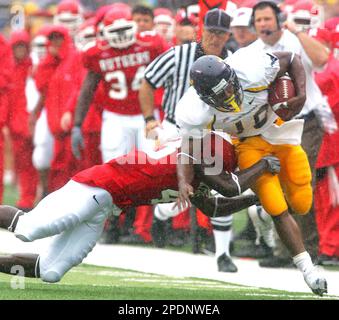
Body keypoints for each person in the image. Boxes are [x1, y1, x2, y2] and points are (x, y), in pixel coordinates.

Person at [0, 133, 280, 283]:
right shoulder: (211, 148)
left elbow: (215, 208)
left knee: (50, 271)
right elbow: (231, 186)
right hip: (95, 187)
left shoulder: (205, 165)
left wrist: (256, 199)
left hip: (105, 206)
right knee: (28, 228)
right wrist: (263, 166)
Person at [174, 51, 327, 296]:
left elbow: (291, 58)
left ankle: (262, 211)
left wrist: (300, 94)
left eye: (228, 87)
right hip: (248, 145)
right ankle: (309, 270)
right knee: (277, 206)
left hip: (280, 131)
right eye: (220, 94)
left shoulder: (252, 68)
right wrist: (183, 180)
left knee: (301, 204)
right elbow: (187, 151)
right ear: (204, 97)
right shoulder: (194, 111)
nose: (229, 94)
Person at [139, 8, 238, 272]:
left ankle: (223, 253)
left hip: (213, 133)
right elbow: (147, 82)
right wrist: (150, 119)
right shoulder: (179, 54)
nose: (215, 38)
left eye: (221, 33)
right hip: (174, 128)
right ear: (201, 30)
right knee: (175, 194)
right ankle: (161, 215)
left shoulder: (233, 60)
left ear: (228, 34)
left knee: (220, 185)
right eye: (211, 32)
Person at [247, 0, 333, 268]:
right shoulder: (251, 51)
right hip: (272, 125)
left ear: (279, 19)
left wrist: (297, 32)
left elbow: (322, 59)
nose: (263, 24)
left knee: (299, 181)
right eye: (258, 20)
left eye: (267, 19)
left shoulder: (296, 40)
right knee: (276, 184)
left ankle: (309, 249)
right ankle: (289, 251)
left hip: (304, 121)